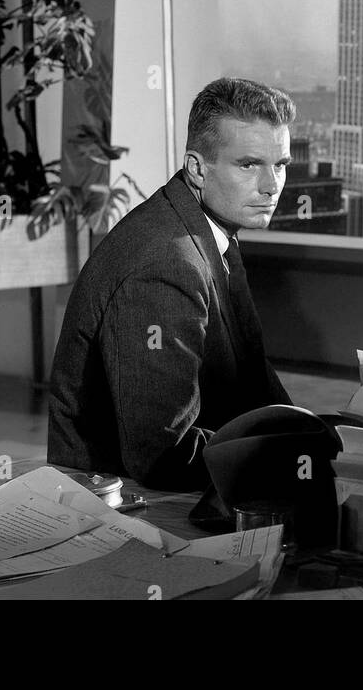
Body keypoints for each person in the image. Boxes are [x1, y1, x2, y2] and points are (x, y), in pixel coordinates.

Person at [48, 77, 295, 490]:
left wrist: (315, 439)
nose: (271, 186)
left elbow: (255, 383)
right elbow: (160, 453)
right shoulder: (165, 262)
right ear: (197, 168)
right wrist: (288, 457)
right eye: (248, 164)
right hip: (125, 506)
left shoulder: (213, 233)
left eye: (281, 165)